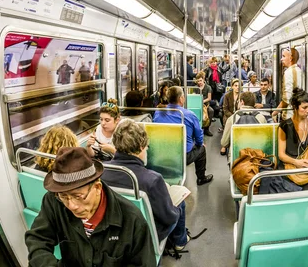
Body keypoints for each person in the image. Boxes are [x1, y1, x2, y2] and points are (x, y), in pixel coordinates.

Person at [25, 147, 156, 266]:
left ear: (97, 187)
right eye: (64, 196)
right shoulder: (54, 201)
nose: (71, 206)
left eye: (78, 196)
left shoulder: (132, 220)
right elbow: (37, 239)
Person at [101, 120, 190, 250]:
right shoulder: (152, 180)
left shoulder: (102, 171)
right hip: (145, 235)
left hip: (115, 232)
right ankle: (180, 241)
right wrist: (173, 207)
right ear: (141, 147)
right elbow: (169, 217)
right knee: (179, 204)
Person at [153, 86, 213, 186]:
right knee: (201, 149)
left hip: (160, 154)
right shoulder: (189, 115)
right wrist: (199, 144)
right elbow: (198, 136)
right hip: (181, 156)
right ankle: (201, 178)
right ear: (181, 98)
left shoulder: (158, 113)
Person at [277, 89, 308, 190]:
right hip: (290, 168)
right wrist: (297, 162)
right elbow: (281, 155)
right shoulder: (284, 126)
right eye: (304, 107)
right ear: (295, 108)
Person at [220, 92, 265, 156]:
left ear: (242, 102)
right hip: (256, 155)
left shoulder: (233, 118)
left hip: (237, 155)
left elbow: (224, 142)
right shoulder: (261, 118)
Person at [272, 47, 302, 121]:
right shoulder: (299, 70)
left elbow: (286, 99)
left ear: (291, 58)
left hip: (289, 115)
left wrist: (274, 113)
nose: (281, 59)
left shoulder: (288, 72)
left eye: (284, 56)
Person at [195, 72, 214, 137]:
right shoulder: (195, 88)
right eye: (198, 81)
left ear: (203, 79)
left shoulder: (208, 87)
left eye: (200, 80)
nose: (199, 82)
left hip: (205, 105)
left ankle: (207, 129)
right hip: (196, 105)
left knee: (211, 111)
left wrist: (202, 101)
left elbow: (209, 98)